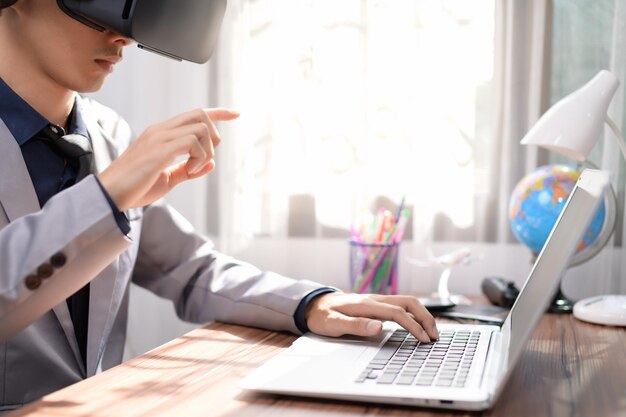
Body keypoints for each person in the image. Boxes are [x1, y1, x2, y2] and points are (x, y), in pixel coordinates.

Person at [0, 0, 438, 411]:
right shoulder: (123, 166)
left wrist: (309, 304)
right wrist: (108, 194)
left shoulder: (110, 135)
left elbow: (191, 270)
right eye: (98, 13)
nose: (124, 38)